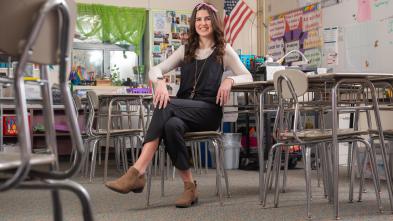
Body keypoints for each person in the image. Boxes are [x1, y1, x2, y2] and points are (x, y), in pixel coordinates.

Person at [105, 2, 253, 208]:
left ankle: (137, 171)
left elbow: (249, 76)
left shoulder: (224, 50)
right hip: (184, 111)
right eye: (199, 19)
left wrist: (230, 80)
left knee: (167, 106)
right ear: (194, 24)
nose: (203, 23)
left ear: (215, 21)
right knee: (170, 126)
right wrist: (160, 83)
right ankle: (189, 187)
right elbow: (155, 69)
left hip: (208, 112)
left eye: (207, 18)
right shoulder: (186, 50)